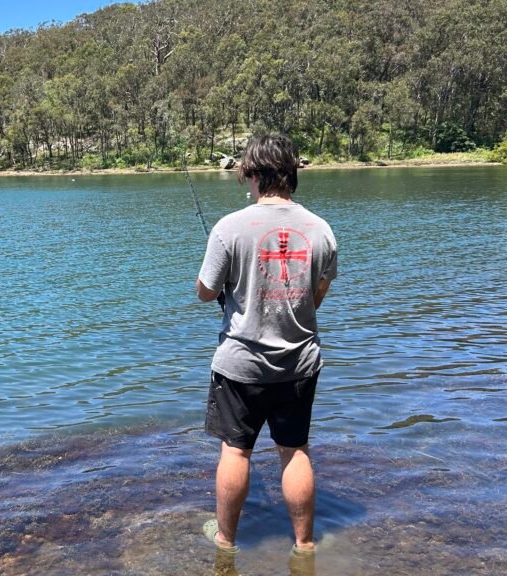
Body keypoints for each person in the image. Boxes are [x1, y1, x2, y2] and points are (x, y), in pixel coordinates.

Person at [196, 134, 337, 558]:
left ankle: (226, 543)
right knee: (294, 449)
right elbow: (314, 298)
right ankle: (305, 545)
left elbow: (206, 292)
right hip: (299, 363)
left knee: (236, 450)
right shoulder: (321, 229)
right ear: (291, 175)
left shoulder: (228, 227)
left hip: (241, 365)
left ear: (253, 174)